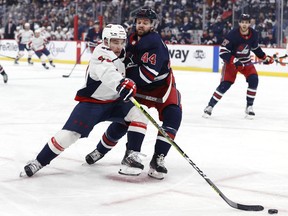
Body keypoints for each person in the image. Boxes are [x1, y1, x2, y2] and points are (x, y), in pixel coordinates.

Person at [21, 24, 148, 177]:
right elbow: (107, 73)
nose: (119, 46)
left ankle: (127, 155)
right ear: (106, 41)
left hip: (115, 102)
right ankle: (39, 161)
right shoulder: (100, 54)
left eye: (121, 42)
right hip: (93, 103)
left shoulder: (123, 52)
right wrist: (121, 83)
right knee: (70, 135)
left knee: (139, 115)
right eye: (115, 42)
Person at [85, 8, 182, 180]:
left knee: (173, 115)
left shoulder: (155, 44)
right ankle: (101, 150)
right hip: (138, 87)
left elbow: (147, 76)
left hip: (161, 87)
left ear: (152, 25)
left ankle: (158, 159)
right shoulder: (130, 39)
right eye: (139, 22)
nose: (141, 25)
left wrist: (123, 77)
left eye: (145, 22)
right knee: (126, 120)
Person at [203, 14, 274, 119]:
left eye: (246, 22)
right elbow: (222, 52)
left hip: (246, 63)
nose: (244, 24)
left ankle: (249, 106)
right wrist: (235, 60)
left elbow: (255, 48)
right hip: (232, 64)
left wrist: (264, 58)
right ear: (239, 23)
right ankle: (210, 106)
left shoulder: (254, 34)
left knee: (254, 79)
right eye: (242, 22)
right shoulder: (232, 34)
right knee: (225, 85)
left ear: (250, 23)